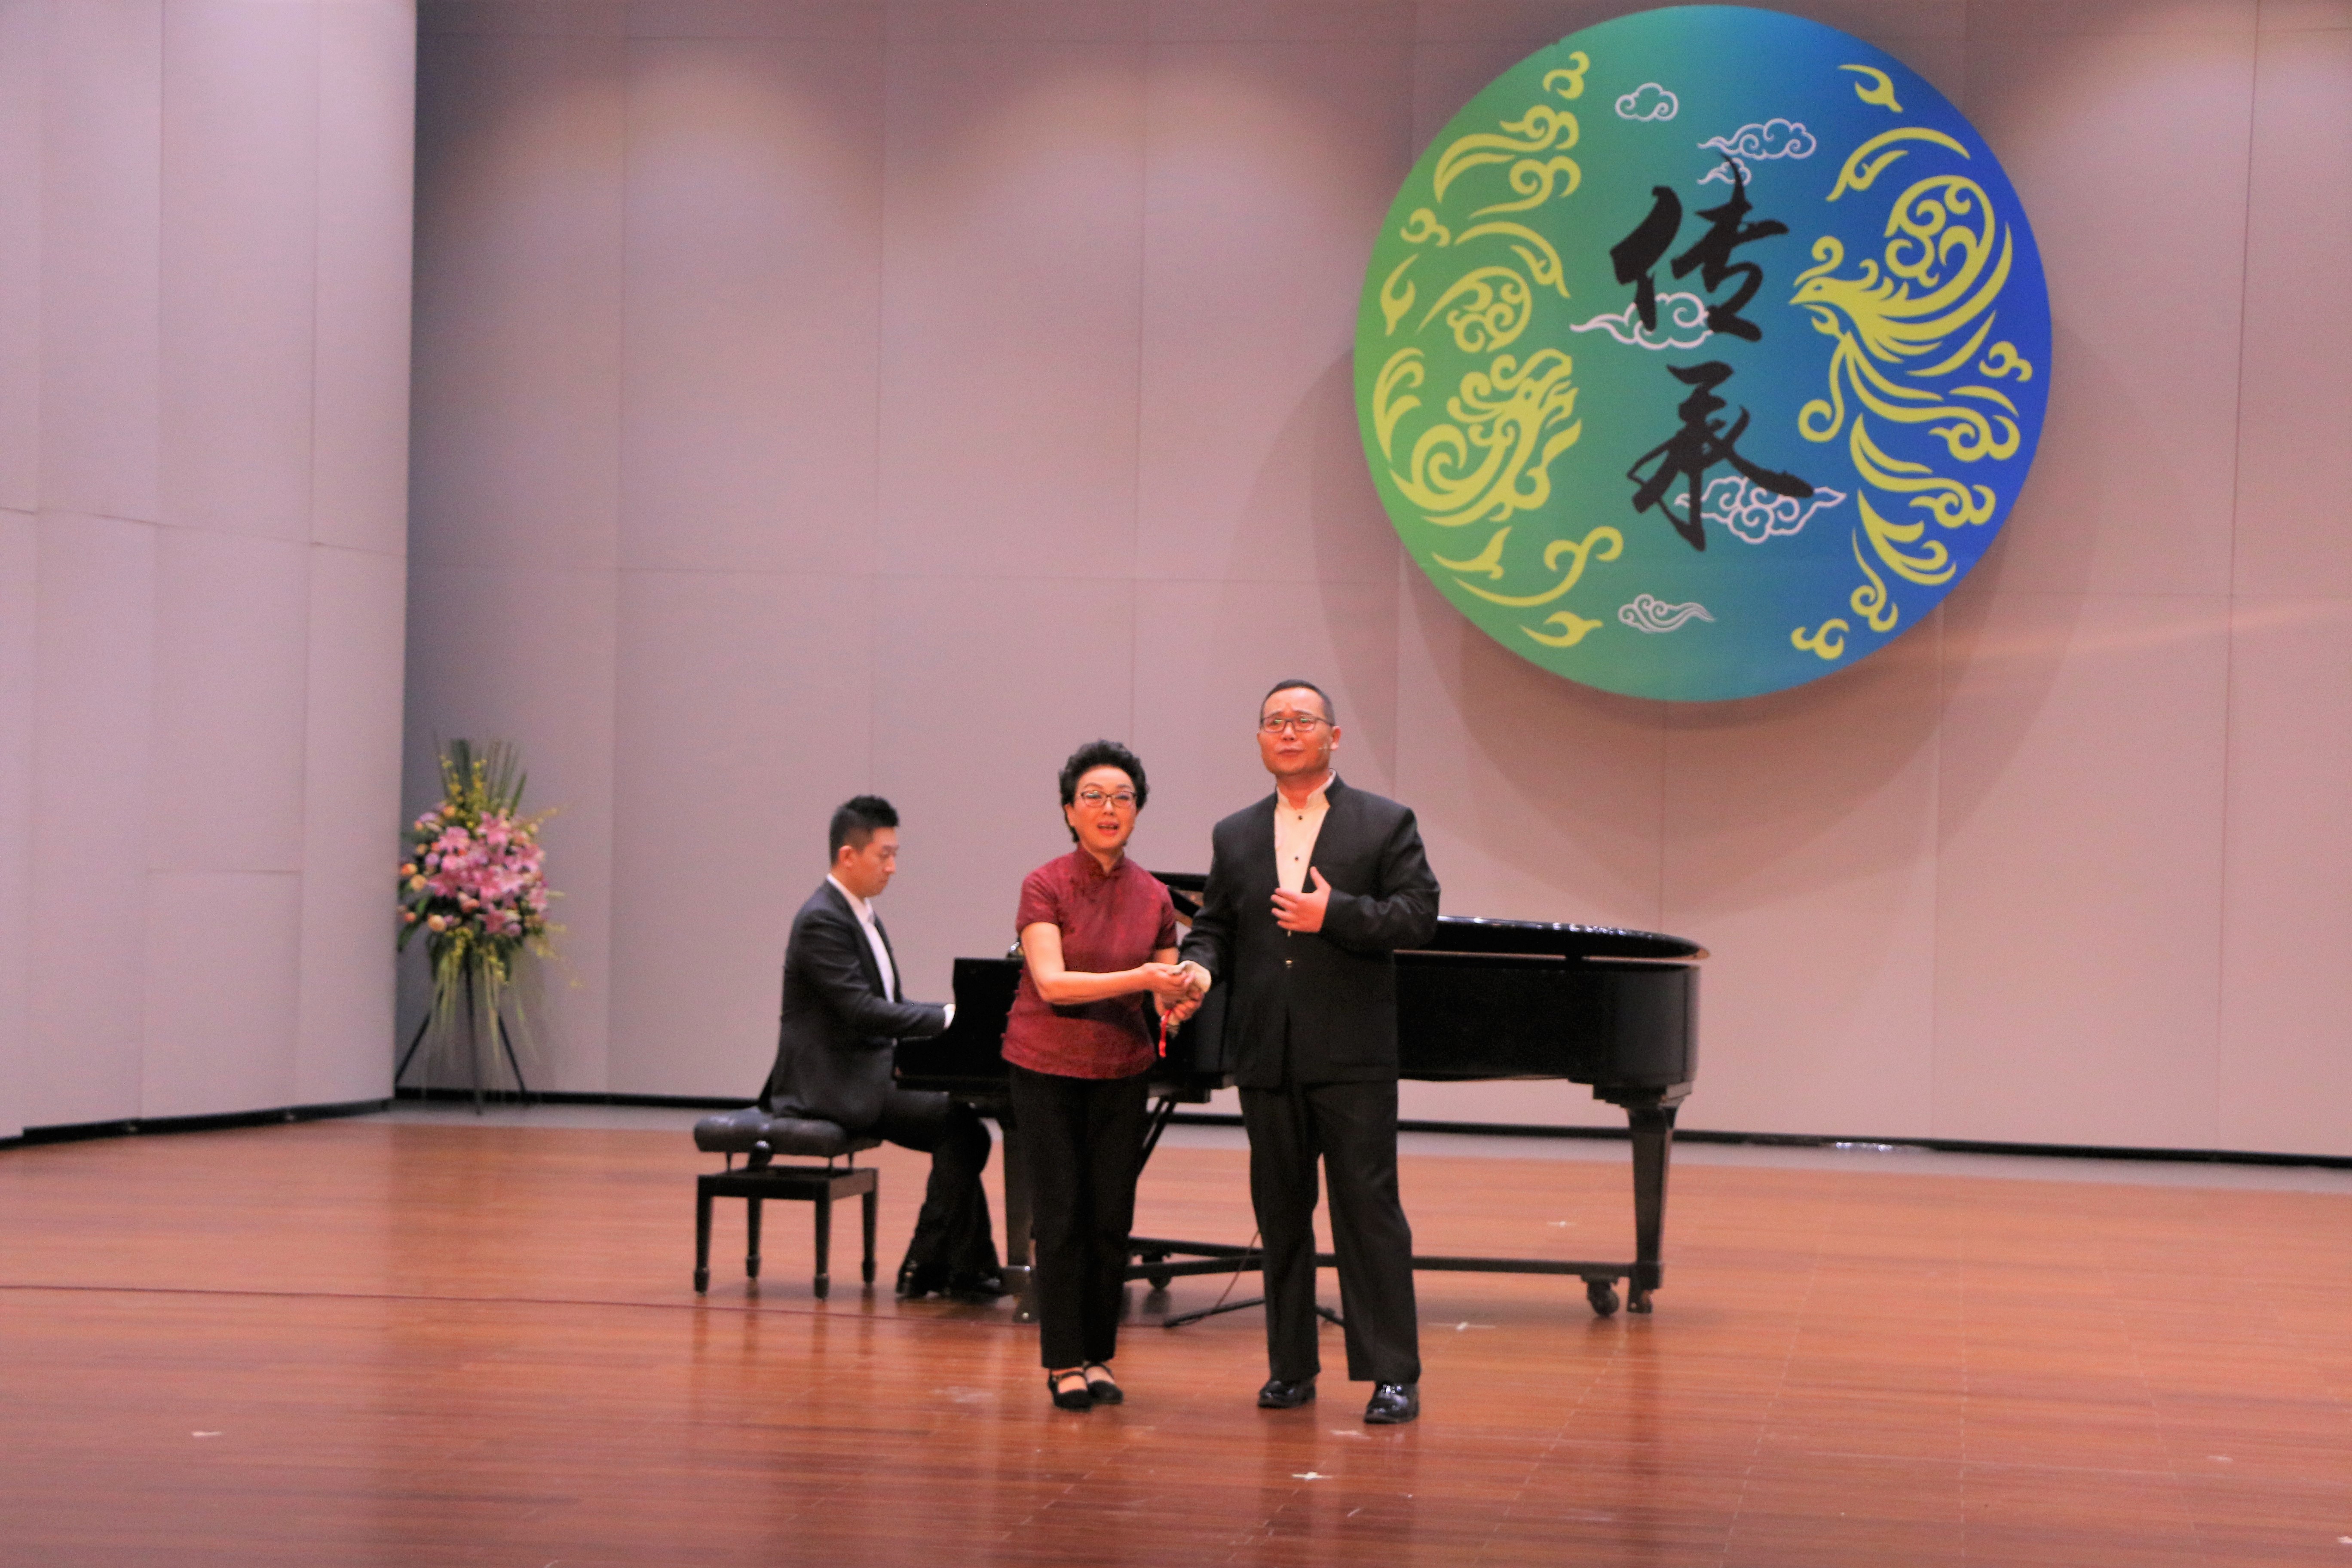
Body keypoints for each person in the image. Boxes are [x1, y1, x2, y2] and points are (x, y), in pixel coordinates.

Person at [1172, 680, 1439, 1425]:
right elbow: (1216, 926)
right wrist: (1197, 967)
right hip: (1266, 1053)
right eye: (1274, 722)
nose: (1287, 731)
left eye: (1302, 720)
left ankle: (1392, 1374)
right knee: (1281, 1215)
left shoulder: (1384, 823)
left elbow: (1419, 915)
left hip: (1352, 1055)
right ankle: (1290, 1368)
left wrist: (1336, 913)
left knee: (1368, 1213)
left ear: (1333, 736)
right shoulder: (1234, 833)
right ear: (1260, 739)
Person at [1005, 741, 1195, 1411]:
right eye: (1093, 796)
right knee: (1061, 1217)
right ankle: (1063, 1362)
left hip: (1123, 1068)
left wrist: (1178, 999)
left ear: (1137, 811)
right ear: (1069, 811)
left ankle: (1097, 1356)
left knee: (1111, 1219)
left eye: (1122, 797)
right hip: (1046, 1066)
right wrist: (1144, 977)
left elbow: (1167, 988)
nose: (1108, 808)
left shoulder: (1155, 896)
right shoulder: (1044, 884)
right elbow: (1053, 984)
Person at [763, 795, 1004, 1299]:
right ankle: (929, 1260)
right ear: (848, 856)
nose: (893, 867)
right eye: (884, 855)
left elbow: (889, 1005)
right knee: (962, 1131)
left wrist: (951, 1016)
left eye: (895, 855)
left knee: (963, 1130)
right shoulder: (821, 920)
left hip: (866, 1068)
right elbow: (862, 1011)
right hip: (832, 1083)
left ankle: (962, 1267)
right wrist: (950, 1018)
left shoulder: (860, 915)